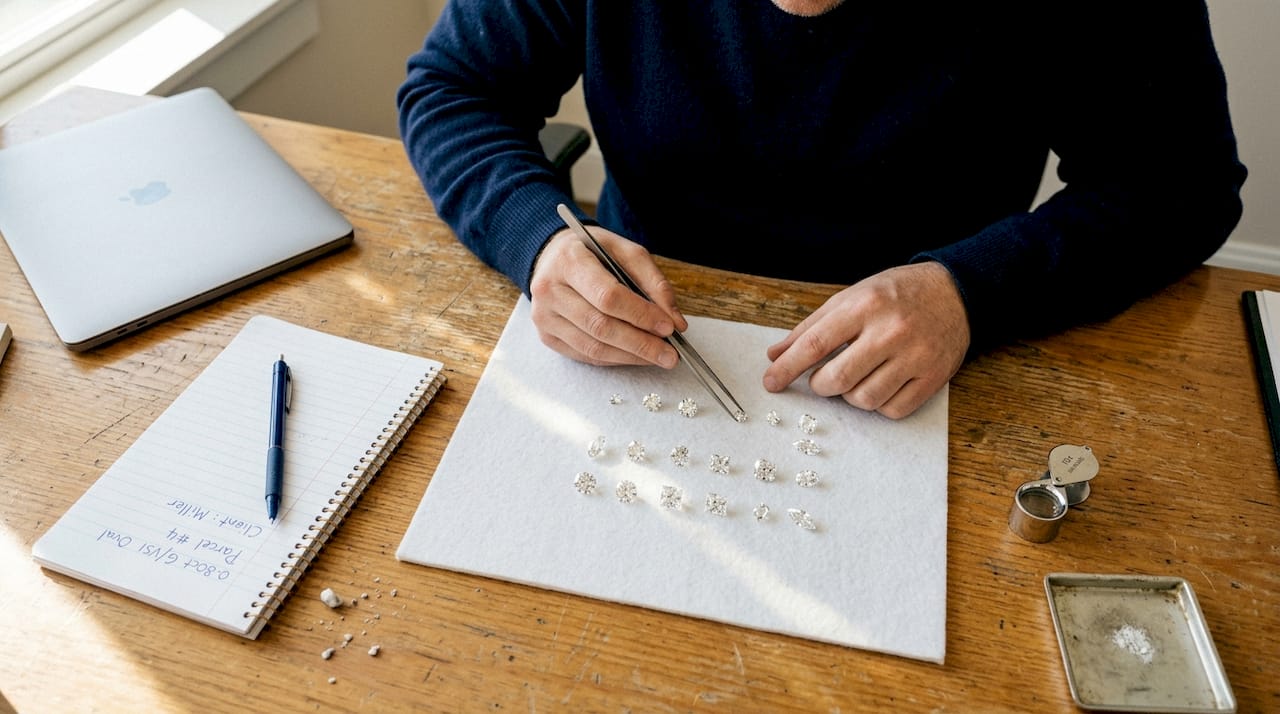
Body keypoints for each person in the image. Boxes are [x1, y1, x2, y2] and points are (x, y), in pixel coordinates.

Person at [398, 1, 1246, 419]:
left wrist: (975, 290)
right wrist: (537, 239)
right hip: (652, 325)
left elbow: (1180, 182)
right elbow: (454, 87)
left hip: (958, 360)